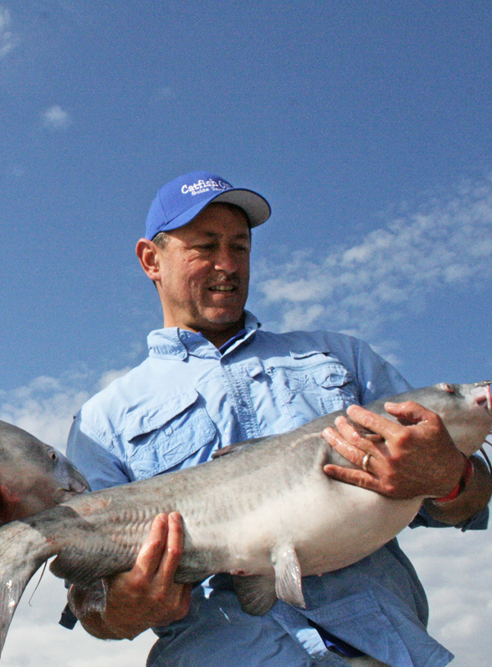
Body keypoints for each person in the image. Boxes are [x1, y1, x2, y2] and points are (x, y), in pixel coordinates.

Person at [63, 171, 492, 667]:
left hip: (386, 653)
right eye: (205, 246)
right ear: (150, 259)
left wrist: (452, 480)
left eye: (240, 247)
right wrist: (123, 609)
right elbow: (91, 602)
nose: (227, 264)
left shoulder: (342, 357)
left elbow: (467, 502)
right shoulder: (101, 424)